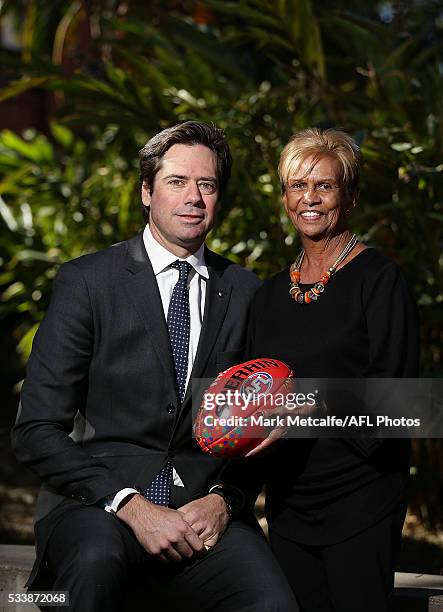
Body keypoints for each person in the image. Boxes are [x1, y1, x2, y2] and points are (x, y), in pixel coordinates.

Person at [11, 121, 298, 612]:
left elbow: (262, 426)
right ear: (147, 191)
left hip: (204, 513)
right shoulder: (88, 282)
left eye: (206, 185)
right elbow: (36, 429)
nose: (194, 197)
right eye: (177, 182)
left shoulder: (247, 292)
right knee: (96, 566)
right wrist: (131, 506)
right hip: (98, 507)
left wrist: (225, 500)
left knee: (271, 603)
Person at [245, 128, 419, 612]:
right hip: (288, 506)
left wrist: (304, 406)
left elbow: (397, 406)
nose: (310, 199)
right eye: (298, 186)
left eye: (325, 186)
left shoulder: (380, 281)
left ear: (351, 195)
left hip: (362, 501)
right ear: (284, 197)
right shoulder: (268, 297)